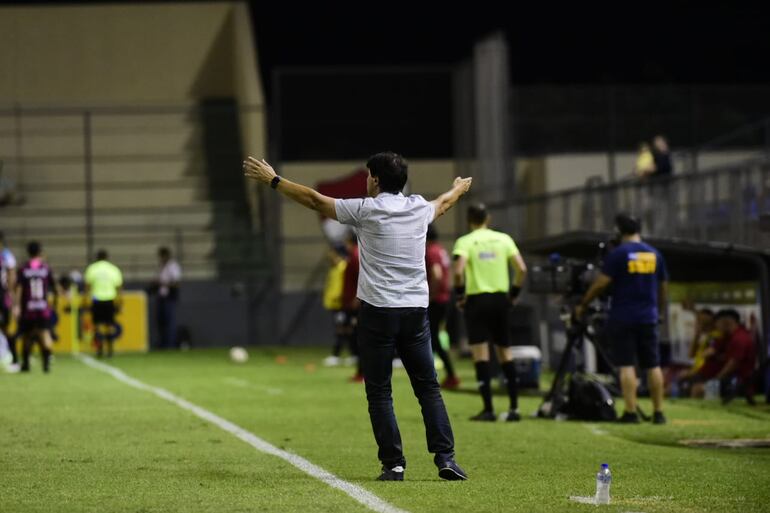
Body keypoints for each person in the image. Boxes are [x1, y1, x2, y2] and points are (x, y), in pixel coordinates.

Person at [244, 152, 471, 481]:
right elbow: (445, 203)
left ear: (376, 180)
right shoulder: (419, 208)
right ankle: (446, 459)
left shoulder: (366, 209)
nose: (366, 180)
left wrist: (274, 180)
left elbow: (313, 200)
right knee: (428, 389)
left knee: (380, 391)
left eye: (368, 175)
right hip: (415, 312)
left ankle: (394, 464)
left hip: (378, 312)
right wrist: (459, 188)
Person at [575, 213, 668, 424]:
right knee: (653, 365)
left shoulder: (619, 254)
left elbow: (600, 284)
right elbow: (663, 288)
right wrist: (659, 311)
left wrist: (584, 303)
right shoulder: (655, 254)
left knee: (626, 365)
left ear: (618, 231)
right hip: (648, 317)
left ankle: (630, 412)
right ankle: (659, 412)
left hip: (623, 316)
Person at [452, 204, 528, 422]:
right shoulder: (504, 239)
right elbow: (521, 269)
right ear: (488, 218)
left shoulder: (465, 241)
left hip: (477, 301)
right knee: (505, 352)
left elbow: (458, 272)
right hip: (500, 300)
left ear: (469, 220)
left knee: (480, 354)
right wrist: (514, 294)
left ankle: (488, 409)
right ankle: (514, 408)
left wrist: (459, 295)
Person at [691, 309, 757, 403]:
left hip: (735, 381)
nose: (716, 327)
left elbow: (733, 364)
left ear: (725, 321)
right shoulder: (726, 337)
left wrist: (716, 379)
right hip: (715, 377)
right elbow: (709, 352)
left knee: (698, 389)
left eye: (716, 323)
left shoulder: (740, 338)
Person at [13, 241, 57, 373]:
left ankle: (26, 364)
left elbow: (19, 289)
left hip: (28, 308)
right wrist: (54, 304)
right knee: (45, 334)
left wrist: (16, 306)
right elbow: (54, 288)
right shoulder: (45, 268)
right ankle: (46, 363)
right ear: (40, 252)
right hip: (43, 308)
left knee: (27, 336)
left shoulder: (24, 268)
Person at [426, 224, 459, 389]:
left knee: (432, 338)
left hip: (437, 299)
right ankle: (448, 374)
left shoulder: (431, 251)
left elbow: (437, 274)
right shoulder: (441, 249)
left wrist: (430, 295)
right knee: (434, 337)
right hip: (446, 296)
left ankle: (451, 375)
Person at [84, 249, 124, 358]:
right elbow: (119, 287)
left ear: (97, 257)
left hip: (96, 299)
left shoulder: (92, 268)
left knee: (97, 325)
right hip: (109, 299)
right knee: (109, 325)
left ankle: (99, 349)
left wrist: (85, 300)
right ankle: (110, 350)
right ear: (107, 257)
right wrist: (120, 302)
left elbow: (87, 286)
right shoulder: (113, 269)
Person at [322, 248, 349, 367]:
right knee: (345, 330)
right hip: (334, 304)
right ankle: (353, 355)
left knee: (342, 330)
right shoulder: (334, 268)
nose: (330, 257)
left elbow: (343, 286)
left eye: (332, 254)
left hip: (341, 305)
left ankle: (336, 356)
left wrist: (339, 297)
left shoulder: (343, 267)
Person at [152, 247, 181, 349]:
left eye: (162, 256)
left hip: (169, 298)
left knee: (169, 322)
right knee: (161, 322)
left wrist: (162, 283)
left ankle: (170, 344)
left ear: (166, 255)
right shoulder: (162, 266)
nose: (161, 258)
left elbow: (176, 283)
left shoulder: (173, 266)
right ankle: (163, 344)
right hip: (161, 297)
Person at [0, 232, 18, 367]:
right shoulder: (7, 255)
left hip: (2, 295)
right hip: (3, 295)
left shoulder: (6, 255)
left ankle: (13, 358)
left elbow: (12, 276)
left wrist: (11, 293)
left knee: (5, 327)